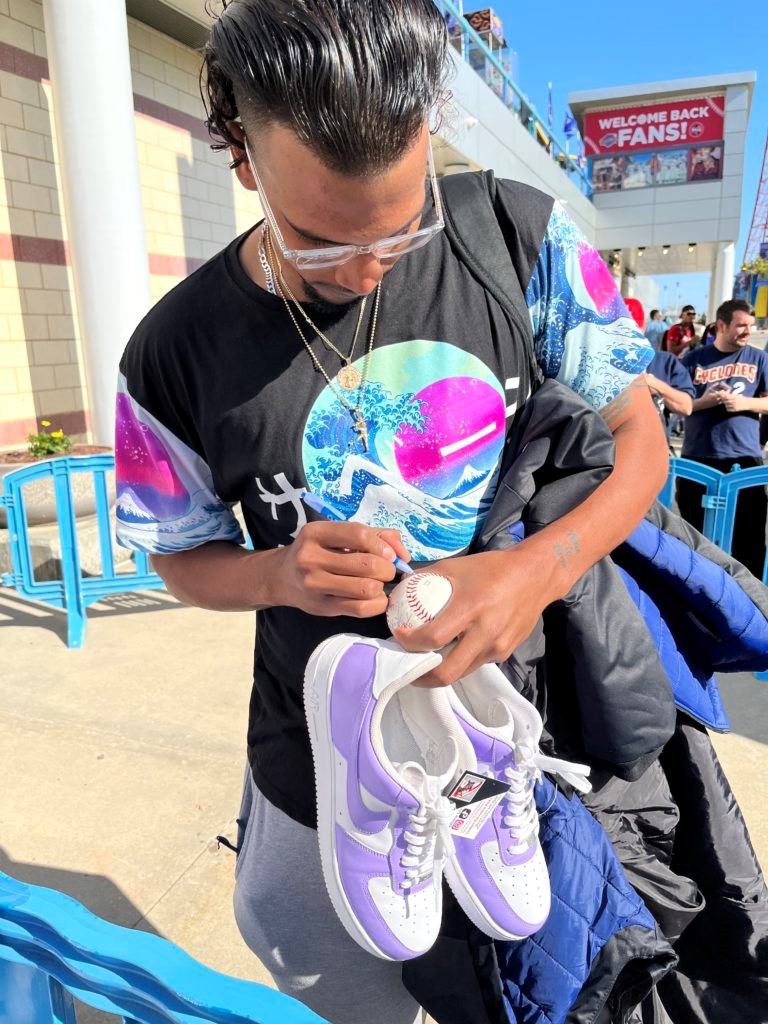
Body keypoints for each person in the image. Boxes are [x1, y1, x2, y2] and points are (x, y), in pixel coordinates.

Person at [113, 2, 667, 1021]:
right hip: (317, 754)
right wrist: (275, 574)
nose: (374, 266)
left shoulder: (520, 238)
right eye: (322, 244)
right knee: (332, 976)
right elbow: (181, 555)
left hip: (511, 733)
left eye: (407, 228)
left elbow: (643, 443)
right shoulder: (172, 353)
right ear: (242, 156)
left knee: (530, 985)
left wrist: (535, 571)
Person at [677, 299, 768, 579]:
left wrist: (744, 404)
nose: (747, 331)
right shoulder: (693, 359)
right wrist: (705, 401)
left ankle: (750, 603)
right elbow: (678, 403)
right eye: (741, 325)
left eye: (750, 326)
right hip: (698, 460)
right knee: (694, 535)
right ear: (721, 326)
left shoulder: (758, 358)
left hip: (745, 462)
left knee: (748, 538)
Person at [645, 349, 695, 446]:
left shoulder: (664, 360)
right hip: (613, 450)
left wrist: (656, 385)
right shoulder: (607, 358)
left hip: (655, 448)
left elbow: (686, 407)